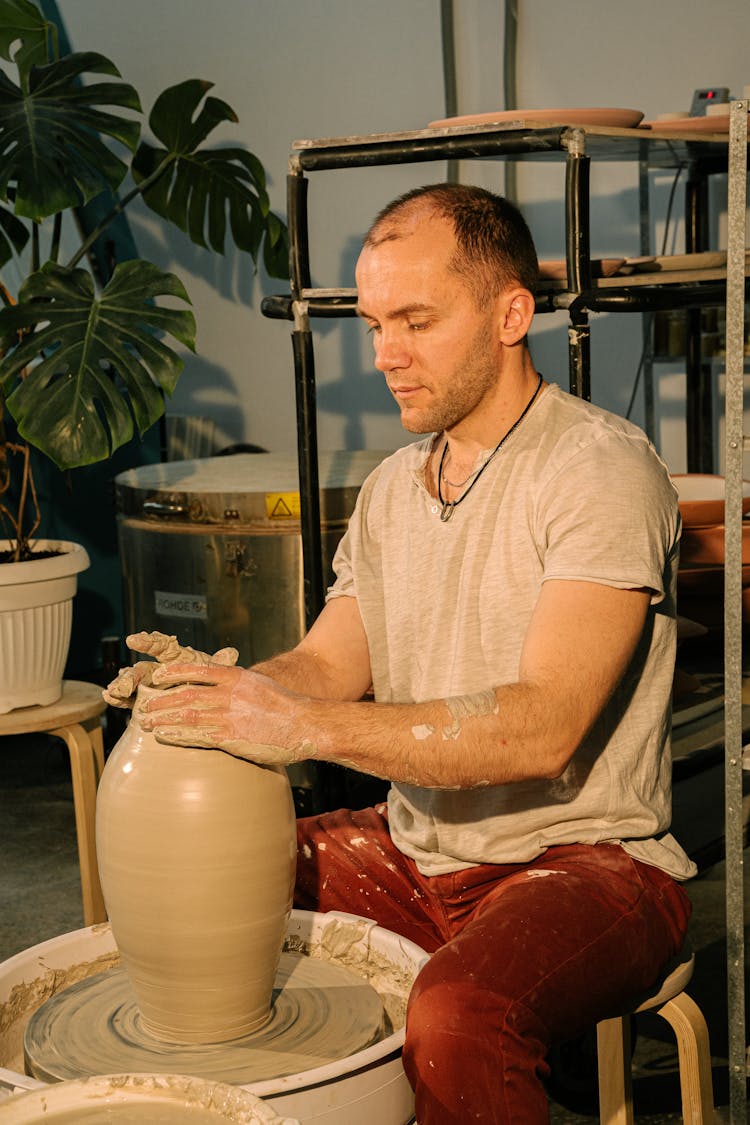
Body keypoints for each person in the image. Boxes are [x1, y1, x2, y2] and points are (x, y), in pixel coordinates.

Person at [109, 183, 696, 1124]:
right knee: (214, 880)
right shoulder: (393, 488)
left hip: (589, 863)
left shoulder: (598, 469)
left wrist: (298, 725)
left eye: (416, 320)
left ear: (511, 313)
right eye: (375, 322)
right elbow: (328, 666)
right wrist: (222, 694)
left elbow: (545, 728)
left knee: (459, 1015)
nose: (385, 355)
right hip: (420, 850)